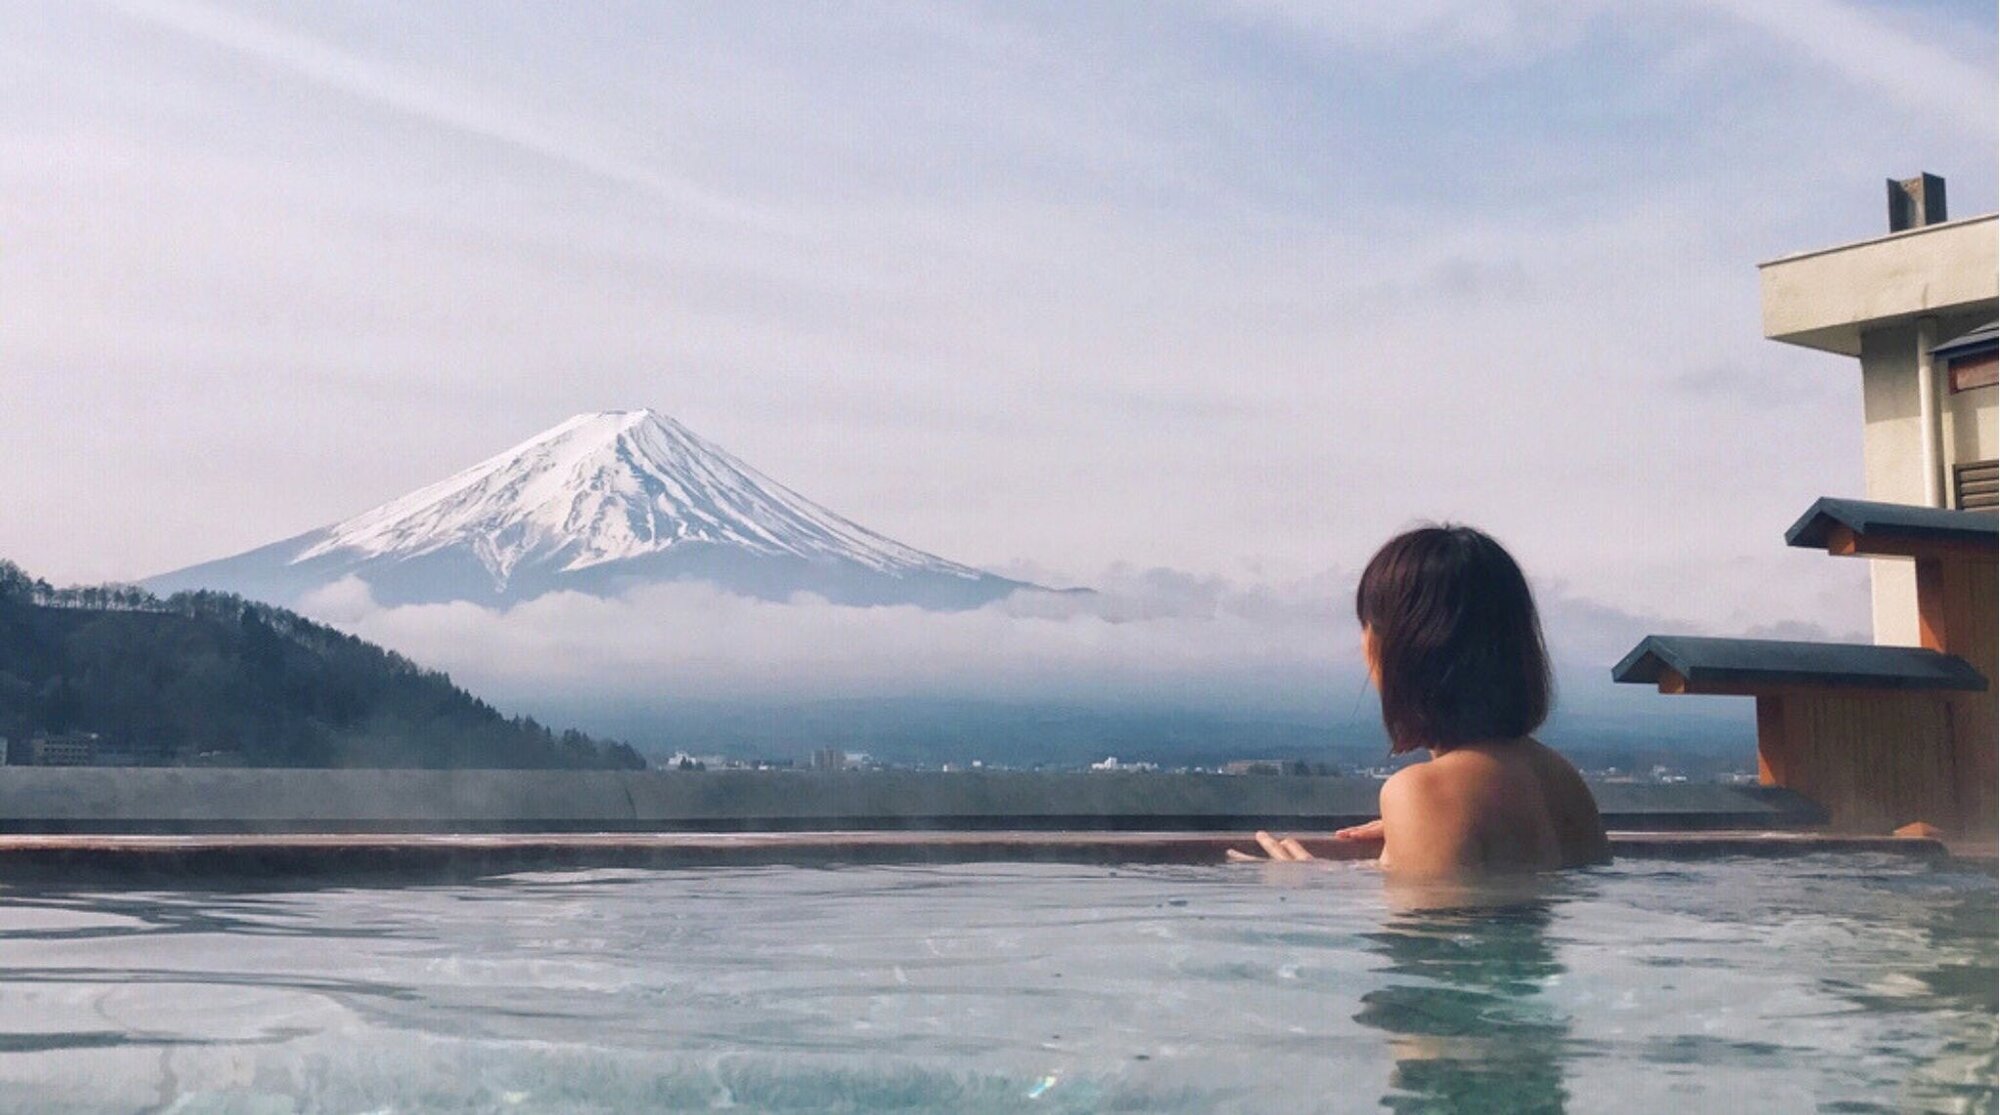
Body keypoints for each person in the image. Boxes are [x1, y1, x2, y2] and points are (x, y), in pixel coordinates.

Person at [1237, 525, 1609, 876]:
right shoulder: (1561, 779)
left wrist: (1309, 887)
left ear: (1395, 649)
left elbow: (1433, 942)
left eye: (1366, 627)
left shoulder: (1424, 794)